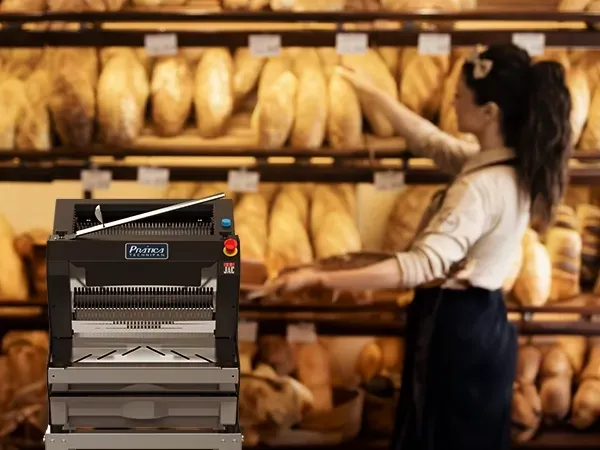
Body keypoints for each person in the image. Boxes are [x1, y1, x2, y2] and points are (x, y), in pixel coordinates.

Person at [252, 43, 573, 450]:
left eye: (460, 96)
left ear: (490, 112)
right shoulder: (511, 165)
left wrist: (318, 275)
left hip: (457, 330)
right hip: (484, 324)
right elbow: (432, 142)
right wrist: (376, 96)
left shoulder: (479, 188)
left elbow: (418, 266)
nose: (452, 100)